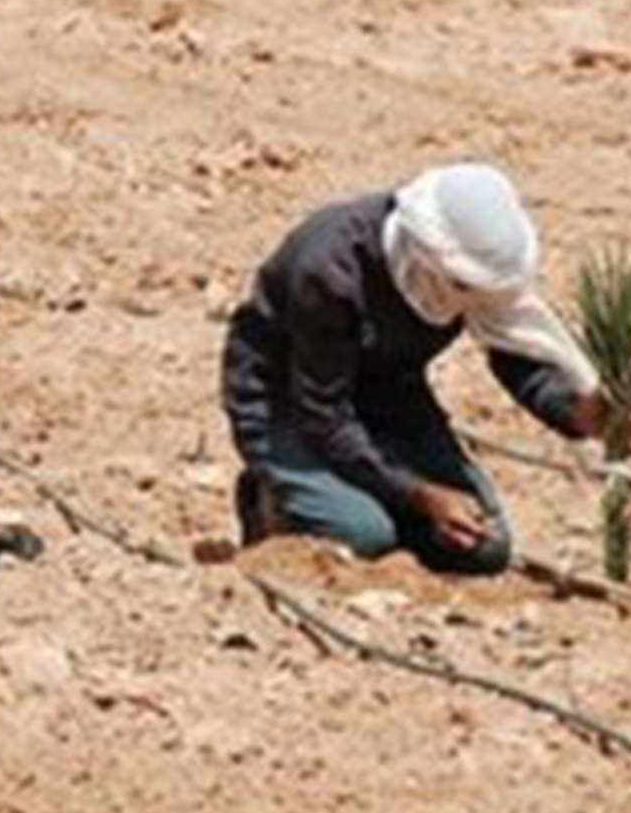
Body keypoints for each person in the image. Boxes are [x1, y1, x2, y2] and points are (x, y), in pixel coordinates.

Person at [220, 163, 606, 575]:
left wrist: (574, 412)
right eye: (466, 285)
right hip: (288, 405)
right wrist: (423, 496)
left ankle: (370, 505)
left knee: (485, 547)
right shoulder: (331, 270)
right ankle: (275, 500)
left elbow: (512, 349)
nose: (472, 297)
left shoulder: (460, 282)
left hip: (388, 396)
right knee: (364, 535)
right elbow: (324, 416)